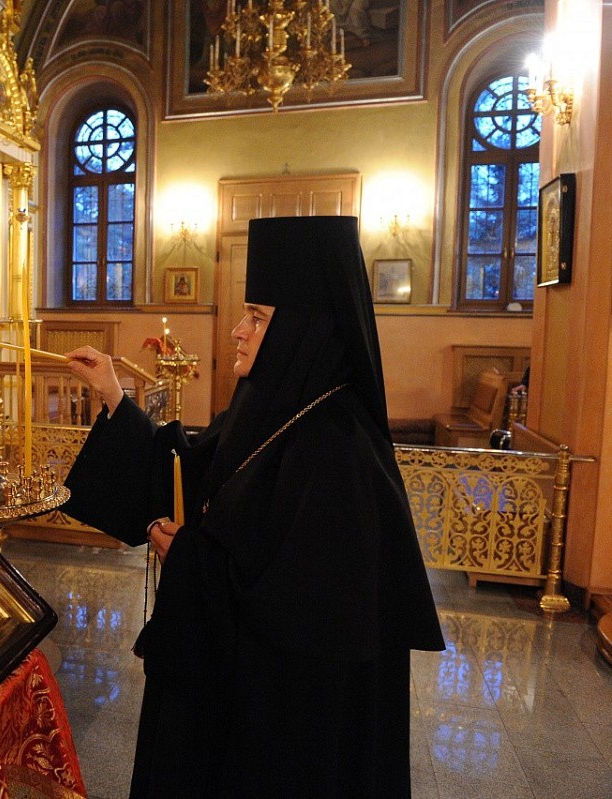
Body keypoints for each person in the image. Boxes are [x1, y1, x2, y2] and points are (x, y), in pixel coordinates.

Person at [62, 215, 444, 797]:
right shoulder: (264, 402)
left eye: (258, 318)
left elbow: (303, 615)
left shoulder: (340, 447)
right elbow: (191, 470)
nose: (239, 331)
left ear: (303, 330)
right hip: (235, 706)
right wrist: (115, 394)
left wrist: (192, 560)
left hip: (284, 734)